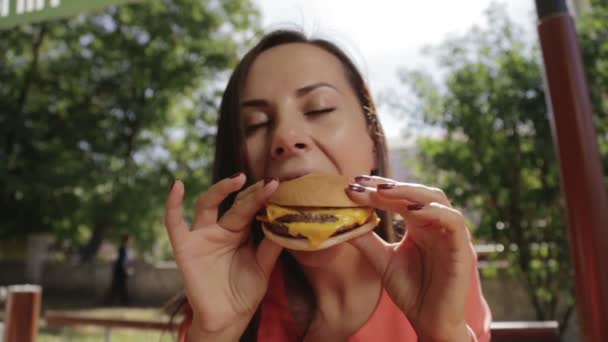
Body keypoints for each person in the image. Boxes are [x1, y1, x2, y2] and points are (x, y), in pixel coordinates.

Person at [164, 29, 492, 341]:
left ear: (373, 142)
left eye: (320, 108)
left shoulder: (438, 273)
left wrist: (443, 336)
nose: (285, 137)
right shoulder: (223, 298)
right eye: (256, 124)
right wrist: (213, 335)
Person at [105, 235, 132, 306]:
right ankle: (122, 301)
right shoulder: (122, 249)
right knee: (118, 287)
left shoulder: (124, 249)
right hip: (120, 271)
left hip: (121, 271)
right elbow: (122, 261)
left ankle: (121, 301)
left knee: (118, 287)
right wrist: (126, 270)